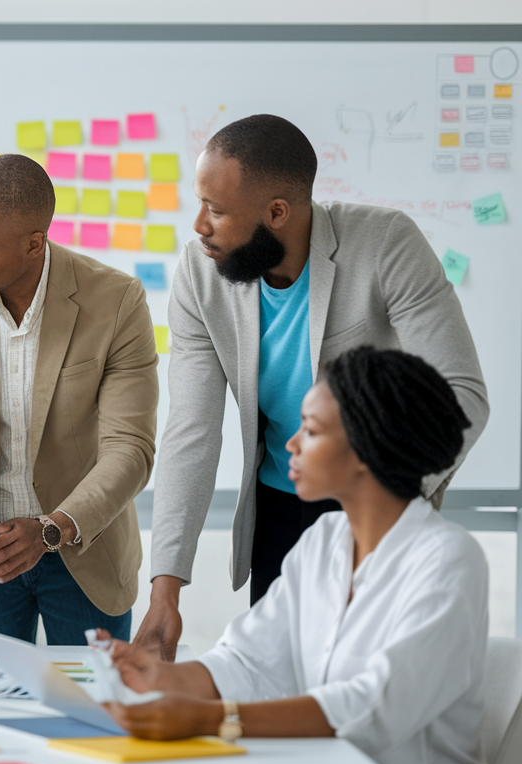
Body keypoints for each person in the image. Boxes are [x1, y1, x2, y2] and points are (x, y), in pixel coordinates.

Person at [137, 114, 489, 660]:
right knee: (273, 668)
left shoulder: (385, 243)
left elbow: (462, 392)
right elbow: (192, 431)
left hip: (374, 500)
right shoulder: (200, 274)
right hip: (279, 501)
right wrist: (165, 592)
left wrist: (386, 504)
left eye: (218, 209)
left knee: (362, 671)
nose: (200, 225)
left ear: (278, 212)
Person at [100, 346, 485, 764]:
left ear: (366, 446)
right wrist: (162, 677)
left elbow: (374, 705)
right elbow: (250, 658)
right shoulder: (325, 540)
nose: (291, 444)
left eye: (311, 429)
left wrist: (210, 717)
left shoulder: (448, 560)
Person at [0, 154, 158, 646]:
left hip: (84, 546)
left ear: (33, 244)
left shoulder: (116, 301)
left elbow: (130, 448)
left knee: (94, 711)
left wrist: (52, 528)